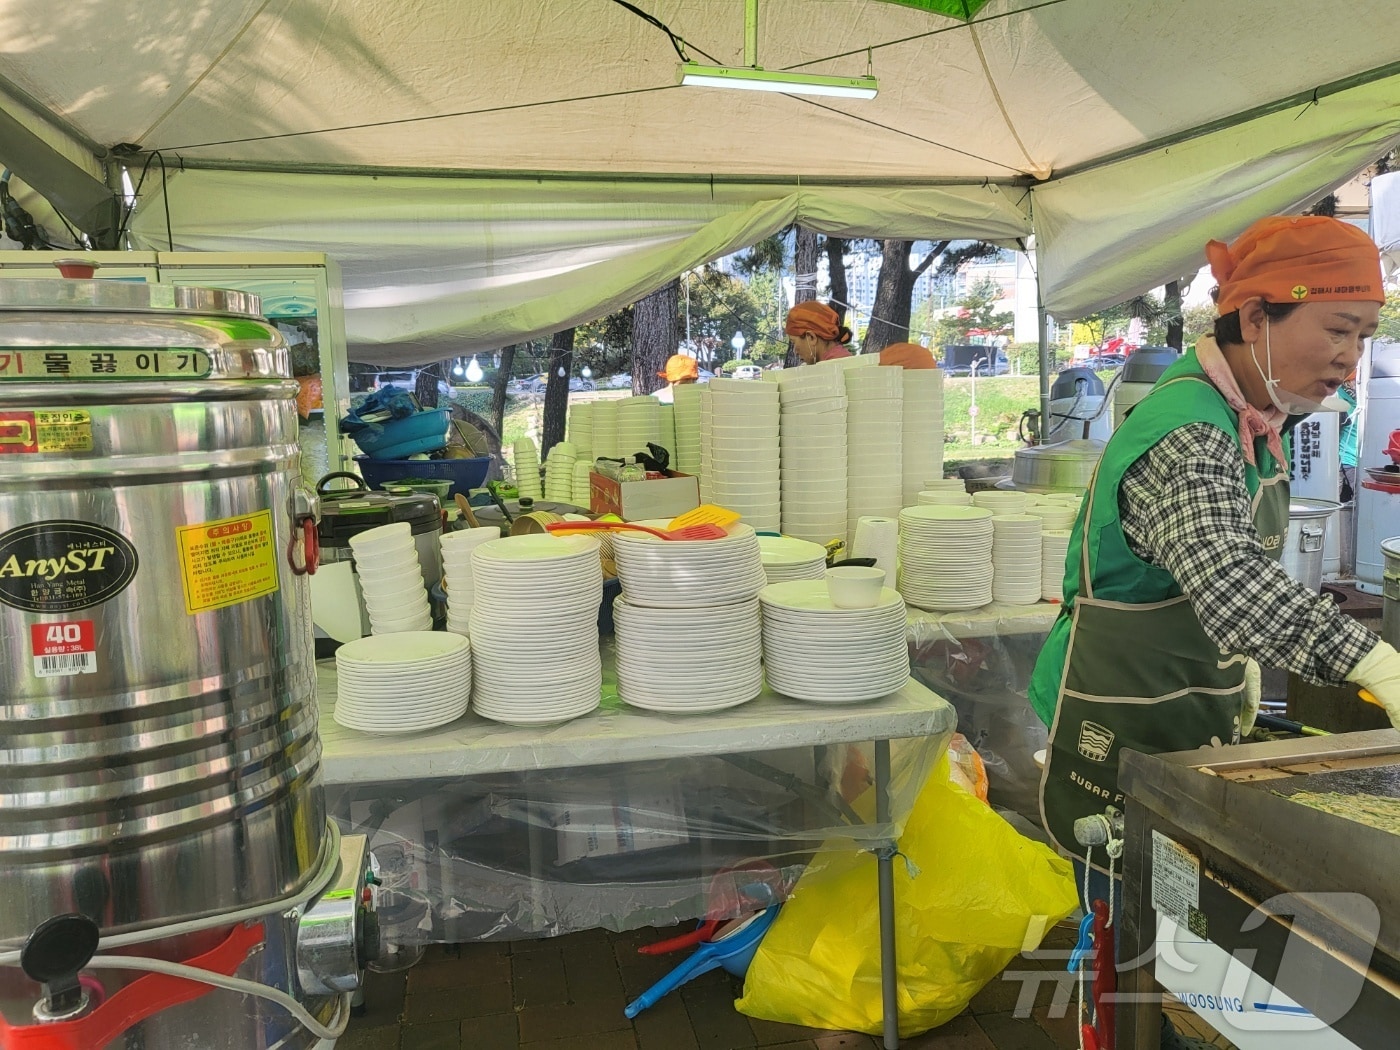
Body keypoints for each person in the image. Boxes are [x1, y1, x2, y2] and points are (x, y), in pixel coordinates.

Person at [1028, 215, 1400, 1046]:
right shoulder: (1191, 434)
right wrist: (1378, 662)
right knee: (1131, 956)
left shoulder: (1252, 421)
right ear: (1257, 317)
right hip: (1116, 711)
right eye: (1338, 328)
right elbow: (1232, 587)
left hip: (1180, 706)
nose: (1350, 354)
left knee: (1175, 955)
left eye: (1366, 334)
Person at [783, 302, 939, 369]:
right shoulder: (848, 363)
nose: (795, 350)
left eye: (793, 342)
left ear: (811, 337)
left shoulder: (830, 373)